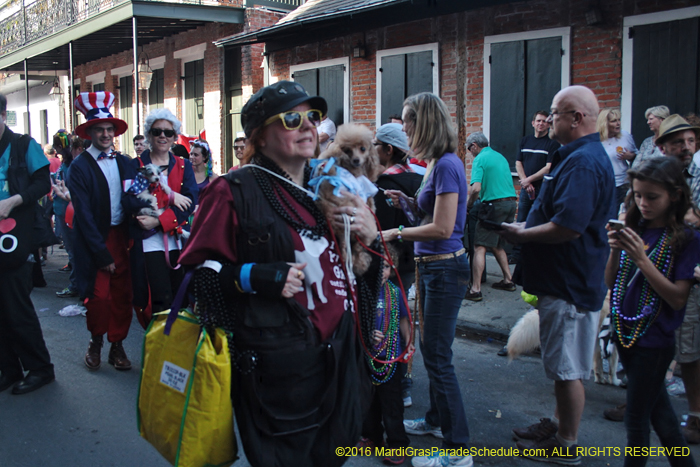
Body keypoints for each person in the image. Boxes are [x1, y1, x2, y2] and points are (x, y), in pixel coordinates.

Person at [179, 80, 383, 467]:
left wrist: (372, 238)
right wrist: (257, 276)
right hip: (281, 371)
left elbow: (357, 269)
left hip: (342, 358)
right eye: (291, 119)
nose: (308, 126)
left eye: (313, 116)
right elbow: (196, 278)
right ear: (259, 136)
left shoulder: (329, 187)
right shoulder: (231, 190)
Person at [499, 85, 615, 465]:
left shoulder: (582, 162)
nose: (549, 120)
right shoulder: (578, 156)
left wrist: (520, 233)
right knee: (564, 367)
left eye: (556, 113)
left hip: (569, 282)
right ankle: (557, 424)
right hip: (565, 281)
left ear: (577, 118)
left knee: (567, 370)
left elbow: (569, 226)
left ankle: (567, 444)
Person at [382, 92, 471, 467]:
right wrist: (405, 203)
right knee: (435, 352)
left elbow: (443, 227)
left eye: (408, 122)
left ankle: (458, 451)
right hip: (434, 268)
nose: (404, 129)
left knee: (437, 358)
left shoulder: (448, 164)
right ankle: (436, 421)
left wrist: (397, 233)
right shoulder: (436, 163)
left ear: (425, 123)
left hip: (445, 268)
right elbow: (427, 210)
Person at [605, 157, 699, 467]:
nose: (643, 203)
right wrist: (616, 250)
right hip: (626, 335)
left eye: (652, 197)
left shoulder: (686, 238)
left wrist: (642, 260)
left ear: (674, 195)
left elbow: (676, 298)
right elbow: (611, 282)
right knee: (663, 419)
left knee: (636, 421)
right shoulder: (637, 228)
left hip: (655, 342)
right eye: (638, 195)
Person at [69, 91, 144, 372]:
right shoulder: (79, 167)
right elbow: (84, 215)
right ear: (89, 132)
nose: (105, 134)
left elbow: (138, 196)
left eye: (109, 129)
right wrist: (101, 253)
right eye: (99, 129)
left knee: (123, 295)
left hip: (123, 239)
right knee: (100, 298)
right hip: (96, 240)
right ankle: (96, 341)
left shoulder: (126, 162)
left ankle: (117, 345)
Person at [0, 92, 55, 395]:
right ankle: (8, 369)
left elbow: (43, 183)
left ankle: (39, 368)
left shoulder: (24, 144)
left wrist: (13, 201)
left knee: (17, 307)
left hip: (18, 238)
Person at [654, 114, 700, 445]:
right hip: (663, 268)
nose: (686, 147)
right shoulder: (661, 177)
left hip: (691, 273)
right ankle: (646, 398)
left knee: (689, 348)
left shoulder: (695, 176)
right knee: (666, 343)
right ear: (663, 147)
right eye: (678, 142)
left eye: (690, 141)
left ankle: (695, 417)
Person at [373, 122, 422, 408]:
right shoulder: (419, 176)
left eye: (377, 146)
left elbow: (381, 228)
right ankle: (403, 381)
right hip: (411, 259)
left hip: (387, 262)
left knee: (387, 319)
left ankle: (393, 380)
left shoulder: (384, 184)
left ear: (388, 150)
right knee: (402, 318)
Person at [131, 108, 197, 318]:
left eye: (168, 133)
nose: (162, 136)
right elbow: (131, 199)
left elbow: (190, 202)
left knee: (181, 298)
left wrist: (160, 220)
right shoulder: (136, 165)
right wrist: (171, 199)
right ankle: (159, 345)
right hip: (148, 244)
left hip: (178, 240)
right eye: (157, 131)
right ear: (149, 135)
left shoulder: (184, 165)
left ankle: (177, 346)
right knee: (159, 300)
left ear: (174, 137)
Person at [360, 245, 414, 466]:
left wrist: (409, 342)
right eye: (376, 266)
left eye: (385, 267)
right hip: (367, 358)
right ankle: (372, 436)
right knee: (368, 400)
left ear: (392, 269)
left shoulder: (395, 292)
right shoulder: (361, 292)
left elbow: (403, 319)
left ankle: (397, 442)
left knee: (392, 403)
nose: (381, 272)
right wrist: (367, 332)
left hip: (391, 358)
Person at [465, 131, 517, 302]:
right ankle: (508, 280)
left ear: (474, 146)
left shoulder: (480, 158)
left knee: (479, 246)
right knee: (497, 244)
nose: (470, 153)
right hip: (510, 204)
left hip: (494, 205)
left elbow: (476, 189)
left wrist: (470, 204)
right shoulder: (499, 156)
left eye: (469, 149)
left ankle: (475, 289)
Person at [509, 110, 560, 264]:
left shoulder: (552, 144)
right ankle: (517, 255)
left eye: (544, 121)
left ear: (549, 124)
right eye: (538, 121)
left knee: (540, 220)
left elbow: (548, 167)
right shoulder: (525, 141)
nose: (541, 123)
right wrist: (525, 182)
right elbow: (518, 163)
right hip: (526, 189)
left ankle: (536, 254)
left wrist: (528, 180)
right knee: (521, 219)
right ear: (533, 123)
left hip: (543, 188)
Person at [53, 135, 79, 298]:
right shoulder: (66, 164)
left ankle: (76, 285)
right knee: (72, 250)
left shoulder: (72, 166)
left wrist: (61, 192)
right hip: (63, 211)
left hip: (68, 212)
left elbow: (71, 191)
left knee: (73, 250)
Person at [598, 109, 638, 207]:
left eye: (619, 120)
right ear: (605, 123)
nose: (618, 123)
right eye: (613, 121)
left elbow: (637, 156)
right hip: (605, 185)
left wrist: (630, 156)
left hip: (623, 183)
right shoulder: (597, 141)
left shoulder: (625, 136)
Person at [631, 105, 670, 170]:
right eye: (648, 119)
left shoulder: (670, 141)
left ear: (662, 120)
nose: (648, 122)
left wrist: (644, 163)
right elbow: (635, 166)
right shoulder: (646, 142)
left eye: (651, 119)